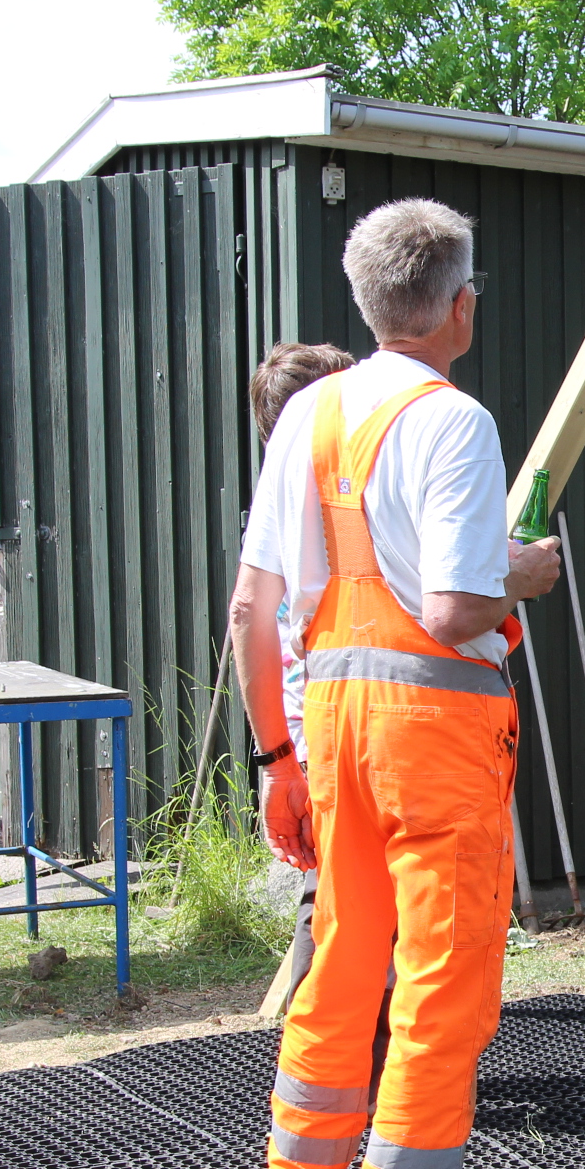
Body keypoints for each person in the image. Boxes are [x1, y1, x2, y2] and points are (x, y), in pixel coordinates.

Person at [230, 200, 561, 1169]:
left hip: (332, 726)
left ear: (369, 301)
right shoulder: (453, 420)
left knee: (345, 962)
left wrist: (276, 756)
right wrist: (529, 571)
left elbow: (253, 608)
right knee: (441, 988)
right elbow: (457, 605)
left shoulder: (305, 415)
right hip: (434, 733)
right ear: (461, 306)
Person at [231, 342, 363, 1037]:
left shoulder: (283, 499)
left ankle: (332, 1064)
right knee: (342, 904)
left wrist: (277, 760)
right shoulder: (324, 496)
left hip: (313, 733)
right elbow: (247, 615)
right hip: (334, 726)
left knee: (338, 899)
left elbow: (247, 615)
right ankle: (329, 1063)